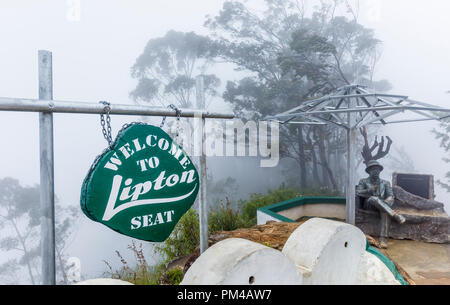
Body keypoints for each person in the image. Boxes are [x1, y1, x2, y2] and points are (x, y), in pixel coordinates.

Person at [356, 160, 406, 248]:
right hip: (369, 204)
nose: (376, 171)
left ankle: (383, 239)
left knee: (384, 211)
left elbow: (390, 196)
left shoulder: (385, 183)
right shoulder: (363, 181)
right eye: (374, 169)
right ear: (369, 171)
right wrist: (369, 190)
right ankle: (394, 214)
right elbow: (358, 192)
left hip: (382, 205)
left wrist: (385, 202)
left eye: (378, 169)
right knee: (373, 198)